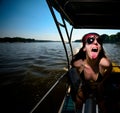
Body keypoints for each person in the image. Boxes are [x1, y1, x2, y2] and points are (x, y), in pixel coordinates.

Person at [69, 32, 112, 113]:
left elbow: (110, 68)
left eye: (99, 41)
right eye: (90, 40)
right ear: (84, 48)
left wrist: (102, 82)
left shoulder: (105, 63)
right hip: (84, 86)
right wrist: (81, 84)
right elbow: (74, 70)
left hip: (98, 87)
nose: (96, 42)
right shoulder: (77, 64)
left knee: (102, 106)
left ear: (100, 48)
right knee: (78, 102)